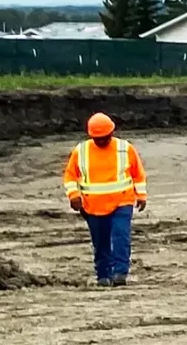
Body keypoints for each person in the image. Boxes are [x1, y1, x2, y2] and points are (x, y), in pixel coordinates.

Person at [63, 112, 147, 286]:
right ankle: (103, 275)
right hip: (92, 206)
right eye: (97, 138)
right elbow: (70, 176)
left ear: (112, 133)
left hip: (122, 202)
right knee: (100, 241)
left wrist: (141, 195)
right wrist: (73, 195)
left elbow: (138, 174)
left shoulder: (125, 148)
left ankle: (120, 273)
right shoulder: (82, 151)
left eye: (105, 138)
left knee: (120, 236)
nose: (101, 141)